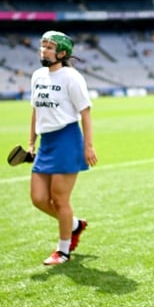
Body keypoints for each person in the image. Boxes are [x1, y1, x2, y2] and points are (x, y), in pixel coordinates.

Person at [27, 30, 96, 266]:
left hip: (67, 139)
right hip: (46, 142)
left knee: (59, 199)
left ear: (62, 53)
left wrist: (88, 146)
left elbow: (85, 112)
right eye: (42, 46)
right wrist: (30, 142)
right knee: (38, 198)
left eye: (48, 47)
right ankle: (75, 224)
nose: (43, 51)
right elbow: (35, 110)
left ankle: (63, 251)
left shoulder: (71, 77)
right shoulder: (37, 76)